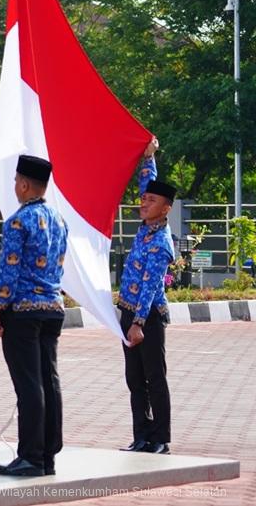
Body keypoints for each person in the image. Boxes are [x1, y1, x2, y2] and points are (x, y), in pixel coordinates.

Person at [0, 155, 68, 477]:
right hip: (53, 307)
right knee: (50, 381)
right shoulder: (59, 219)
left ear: (24, 184)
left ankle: (31, 456)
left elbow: (8, 271)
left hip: (23, 311)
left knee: (29, 385)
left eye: (15, 182)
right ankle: (48, 455)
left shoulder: (18, 222)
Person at [117, 137, 176, 455]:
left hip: (147, 317)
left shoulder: (161, 241)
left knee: (155, 377)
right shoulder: (145, 226)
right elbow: (145, 183)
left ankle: (160, 438)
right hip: (128, 311)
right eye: (144, 200)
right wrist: (149, 157)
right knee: (134, 378)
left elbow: (152, 285)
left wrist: (138, 323)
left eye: (151, 201)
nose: (143, 203)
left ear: (165, 209)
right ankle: (141, 435)